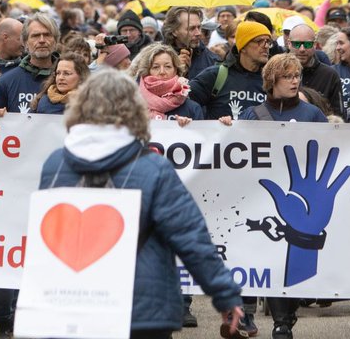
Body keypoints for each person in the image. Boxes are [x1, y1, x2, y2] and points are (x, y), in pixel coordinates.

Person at [38, 70, 244, 339]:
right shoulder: (153, 167)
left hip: (72, 301)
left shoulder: (55, 164)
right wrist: (224, 294)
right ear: (134, 110)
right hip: (142, 308)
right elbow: (190, 236)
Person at [188, 20, 271, 123]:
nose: (266, 46)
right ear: (243, 47)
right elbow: (185, 102)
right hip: (218, 134)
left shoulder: (271, 80)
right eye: (259, 41)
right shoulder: (216, 75)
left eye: (268, 41)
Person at [0, 15, 59, 114]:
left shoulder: (71, 79)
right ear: (25, 42)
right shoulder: (7, 81)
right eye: (35, 36)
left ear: (56, 40)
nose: (42, 40)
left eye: (47, 35)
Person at [240, 54, 327, 124]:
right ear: (272, 80)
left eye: (297, 76)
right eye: (288, 76)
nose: (295, 81)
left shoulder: (313, 114)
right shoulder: (251, 114)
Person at [133, 43, 203, 125]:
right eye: (156, 67)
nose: (162, 72)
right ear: (147, 71)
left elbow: (200, 133)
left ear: (176, 70)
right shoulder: (132, 106)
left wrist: (188, 128)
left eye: (168, 66)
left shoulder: (192, 109)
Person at [286, 23, 343, 116]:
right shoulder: (278, 72)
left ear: (315, 45)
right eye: (297, 44)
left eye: (307, 44)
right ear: (289, 44)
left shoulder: (329, 75)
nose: (302, 49)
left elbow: (338, 115)